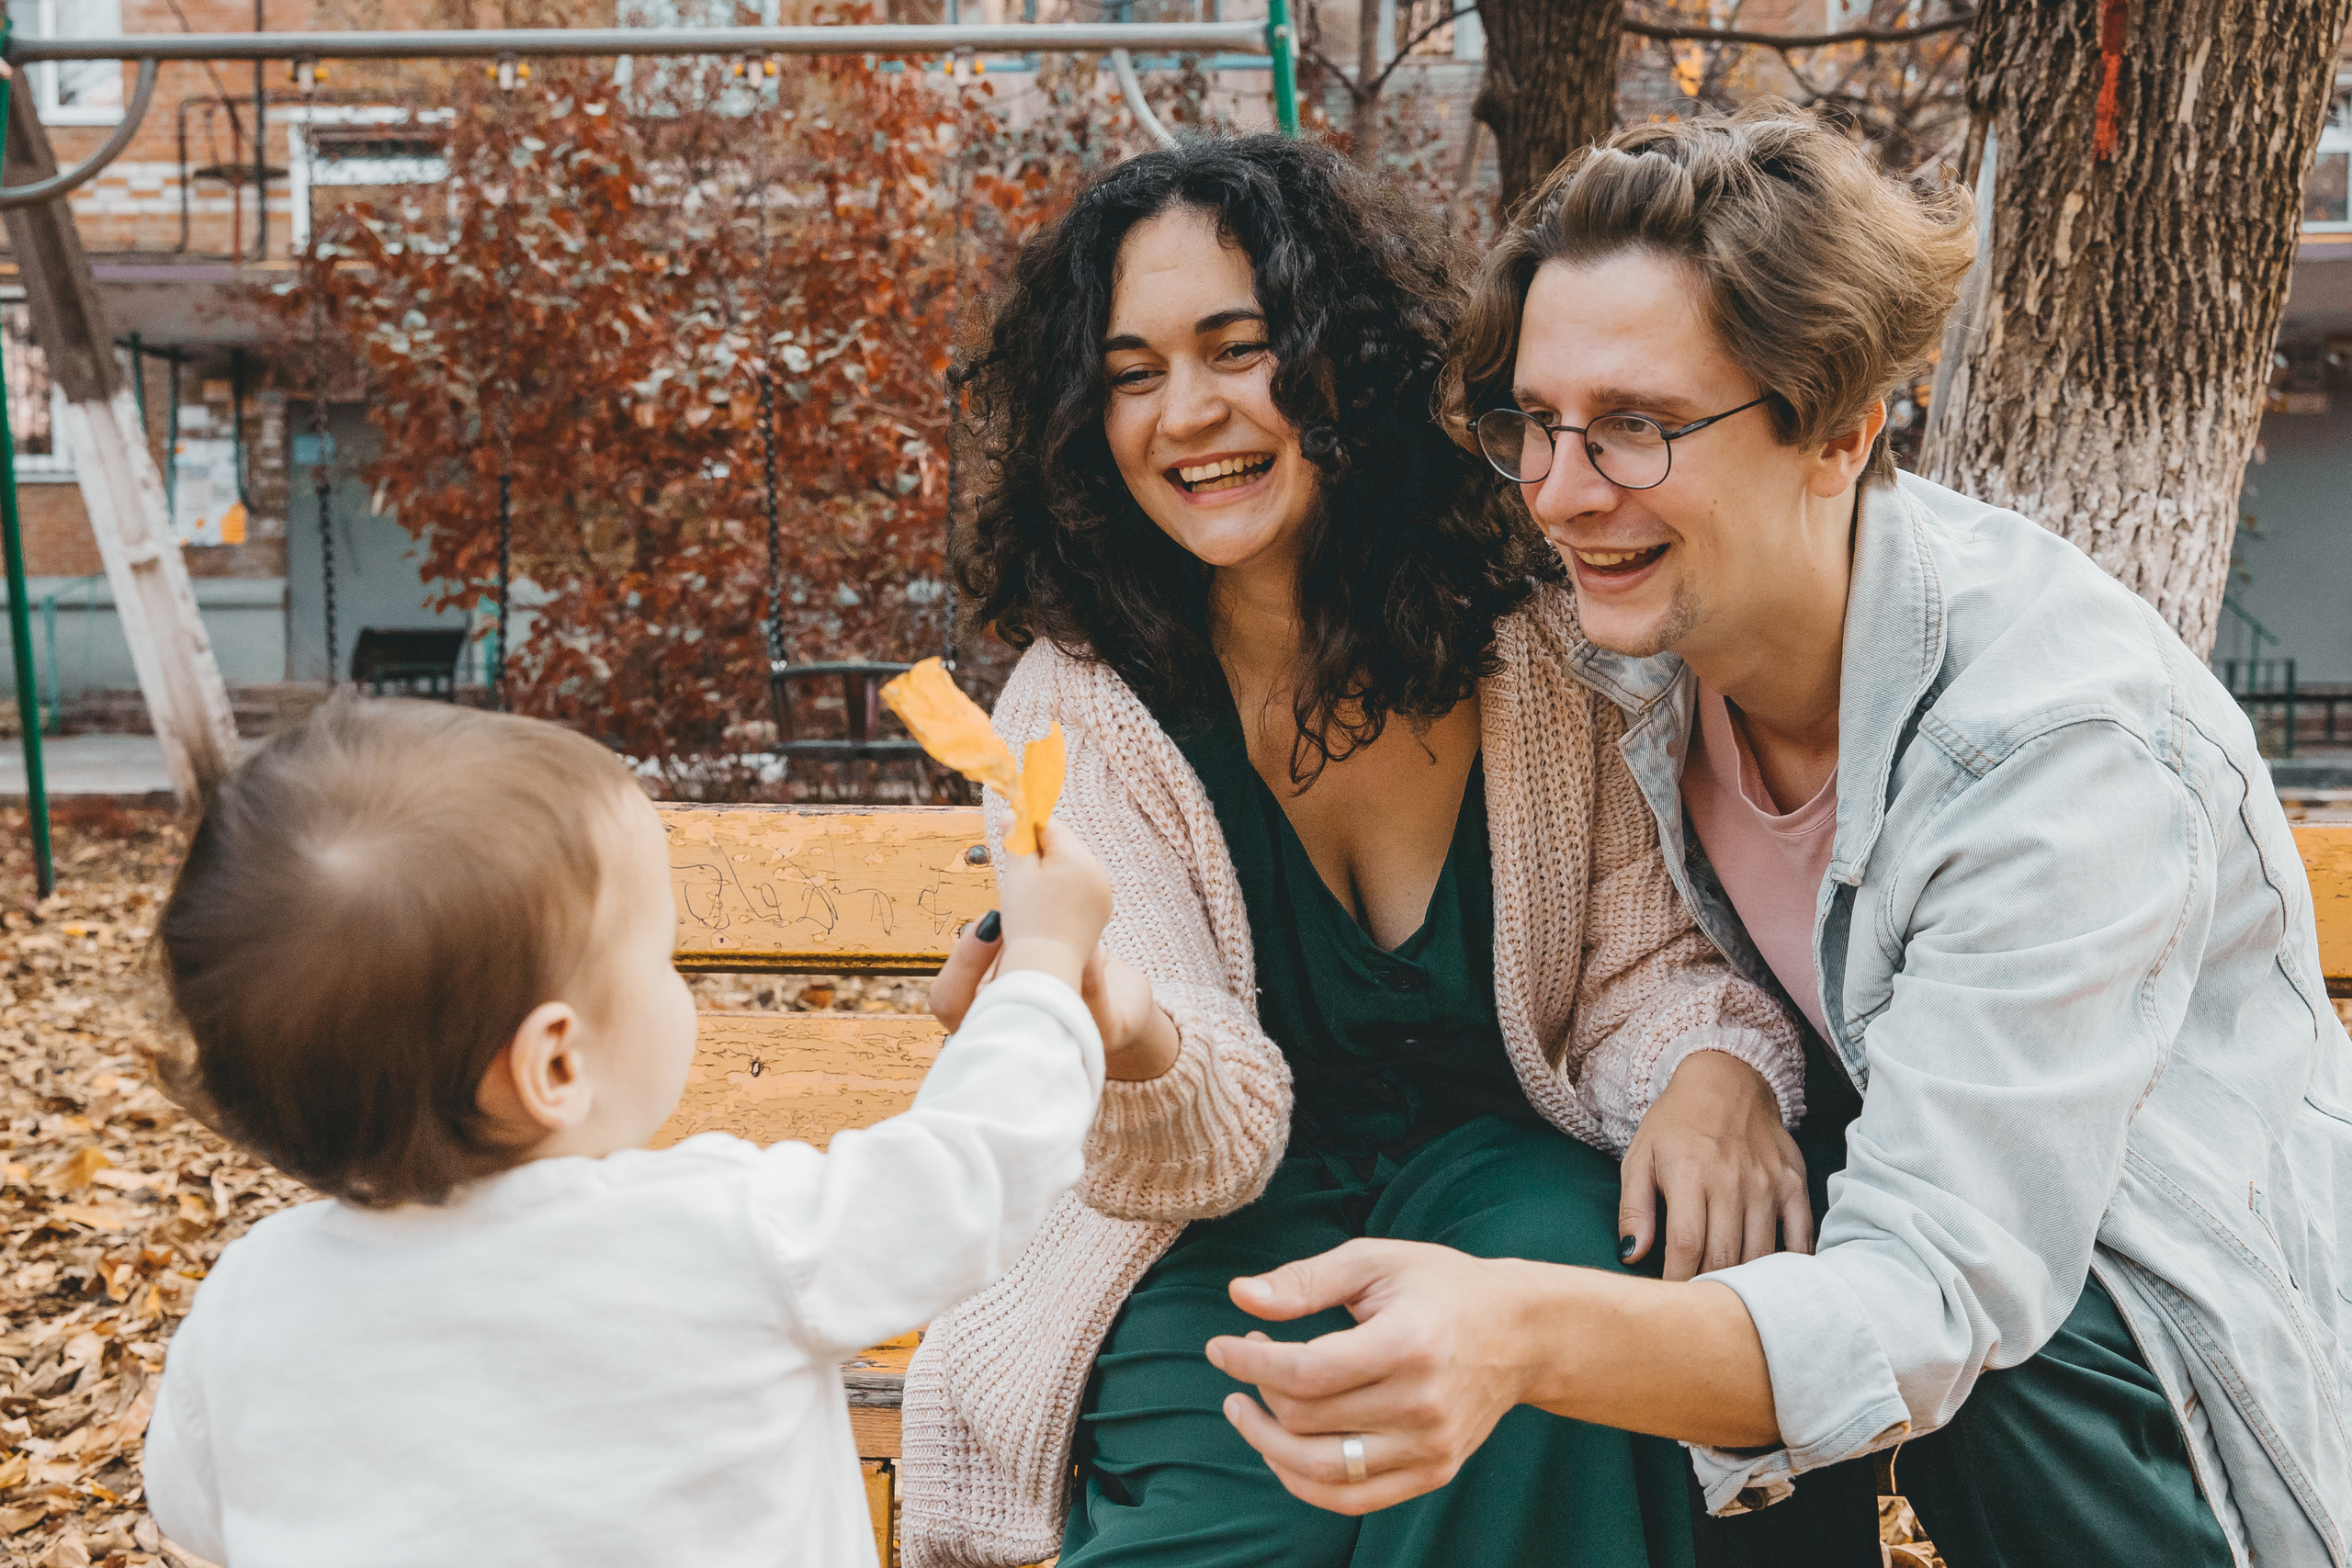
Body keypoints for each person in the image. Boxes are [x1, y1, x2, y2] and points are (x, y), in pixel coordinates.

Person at [1204, 104, 2352, 1568]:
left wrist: (1523, 1328)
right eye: (1535, 425)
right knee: (1663, 1216)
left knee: (1899, 1339)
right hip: (1885, 1282)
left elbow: (1942, 1297)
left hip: (2145, 1391)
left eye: (1636, 426)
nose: (1561, 492)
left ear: (1842, 428)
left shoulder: (2056, 752)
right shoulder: (1620, 644)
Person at [901, 136, 1813, 1568]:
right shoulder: (1078, 705)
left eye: (1239, 347)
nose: (1187, 413)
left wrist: (1712, 1072)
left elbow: (1642, 962)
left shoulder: (1543, 641)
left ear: (1342, 359)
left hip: (1505, 1188)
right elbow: (1210, 1137)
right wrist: (1121, 1025)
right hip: (1208, 1247)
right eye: (1133, 372)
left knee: (1550, 1297)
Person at [139, 697, 1121, 1568]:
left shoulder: (247, 1304)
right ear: (555, 1065)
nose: (677, 983)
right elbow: (969, 1175)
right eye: (661, 956)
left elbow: (201, 1512)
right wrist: (1038, 965)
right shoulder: (726, 1236)